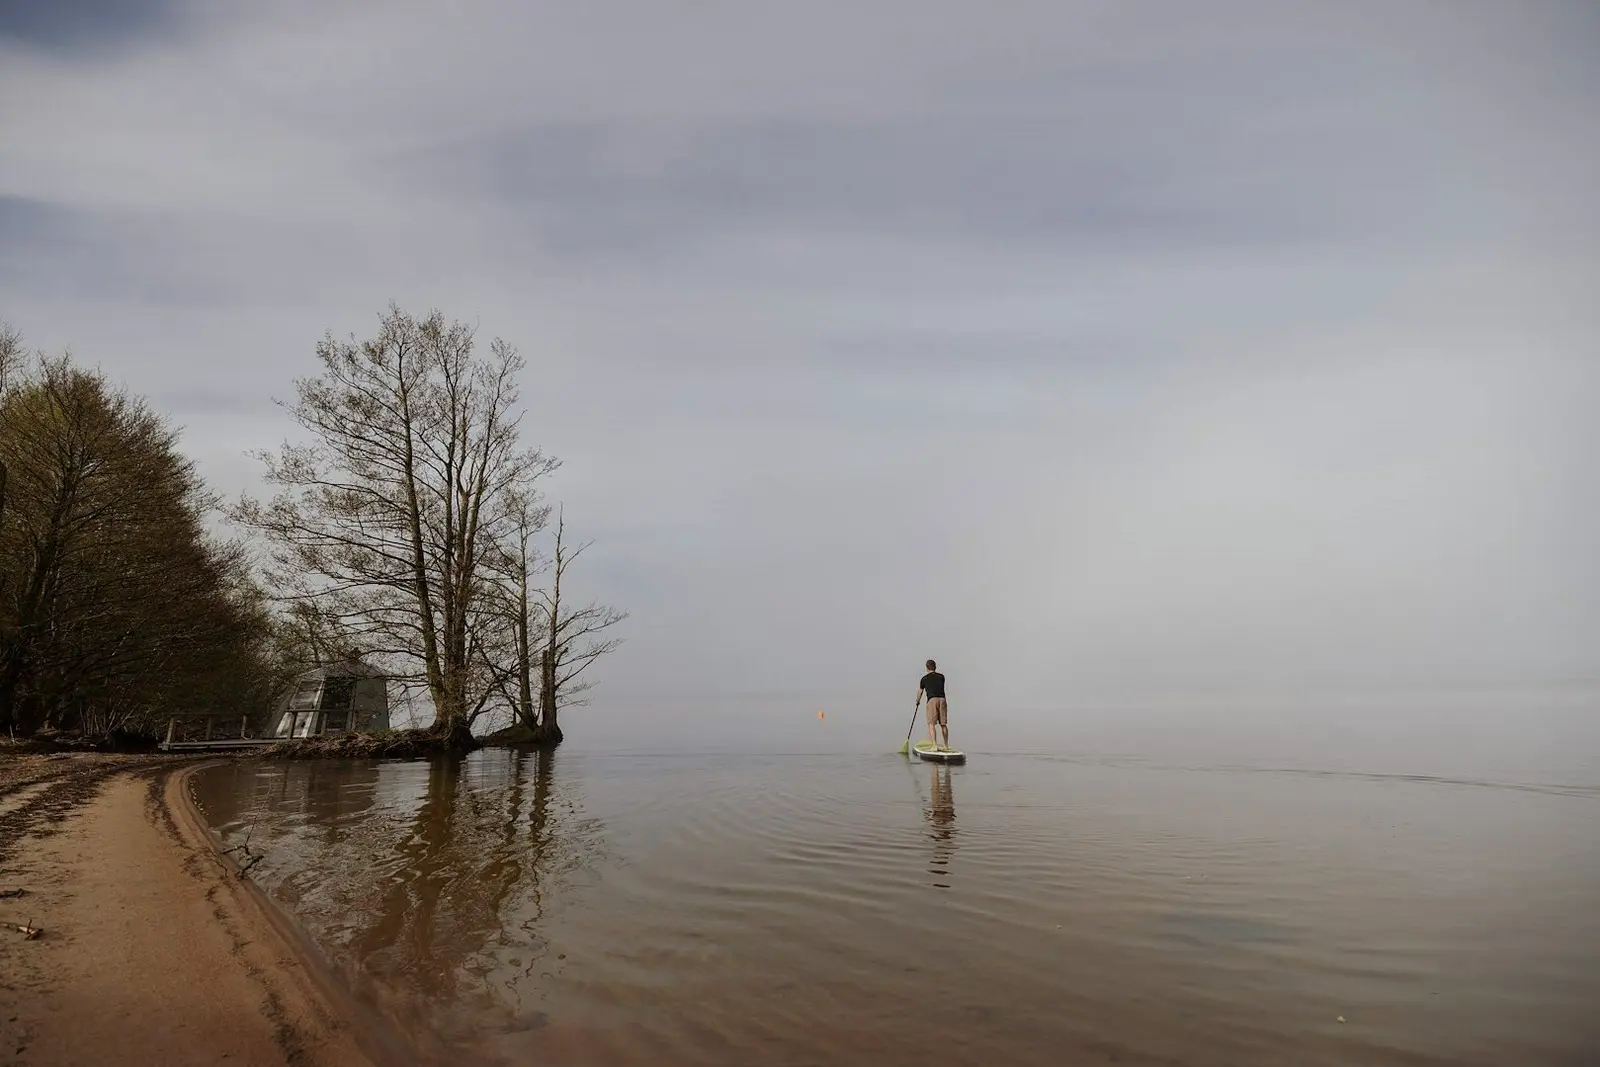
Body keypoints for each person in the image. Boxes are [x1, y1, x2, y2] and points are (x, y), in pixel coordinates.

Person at [916, 659, 950, 750]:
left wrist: (917, 701)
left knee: (931, 724)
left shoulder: (924, 679)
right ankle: (946, 745)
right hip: (942, 700)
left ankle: (934, 745)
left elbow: (920, 691)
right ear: (935, 667)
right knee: (943, 724)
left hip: (932, 700)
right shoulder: (942, 677)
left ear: (927, 668)